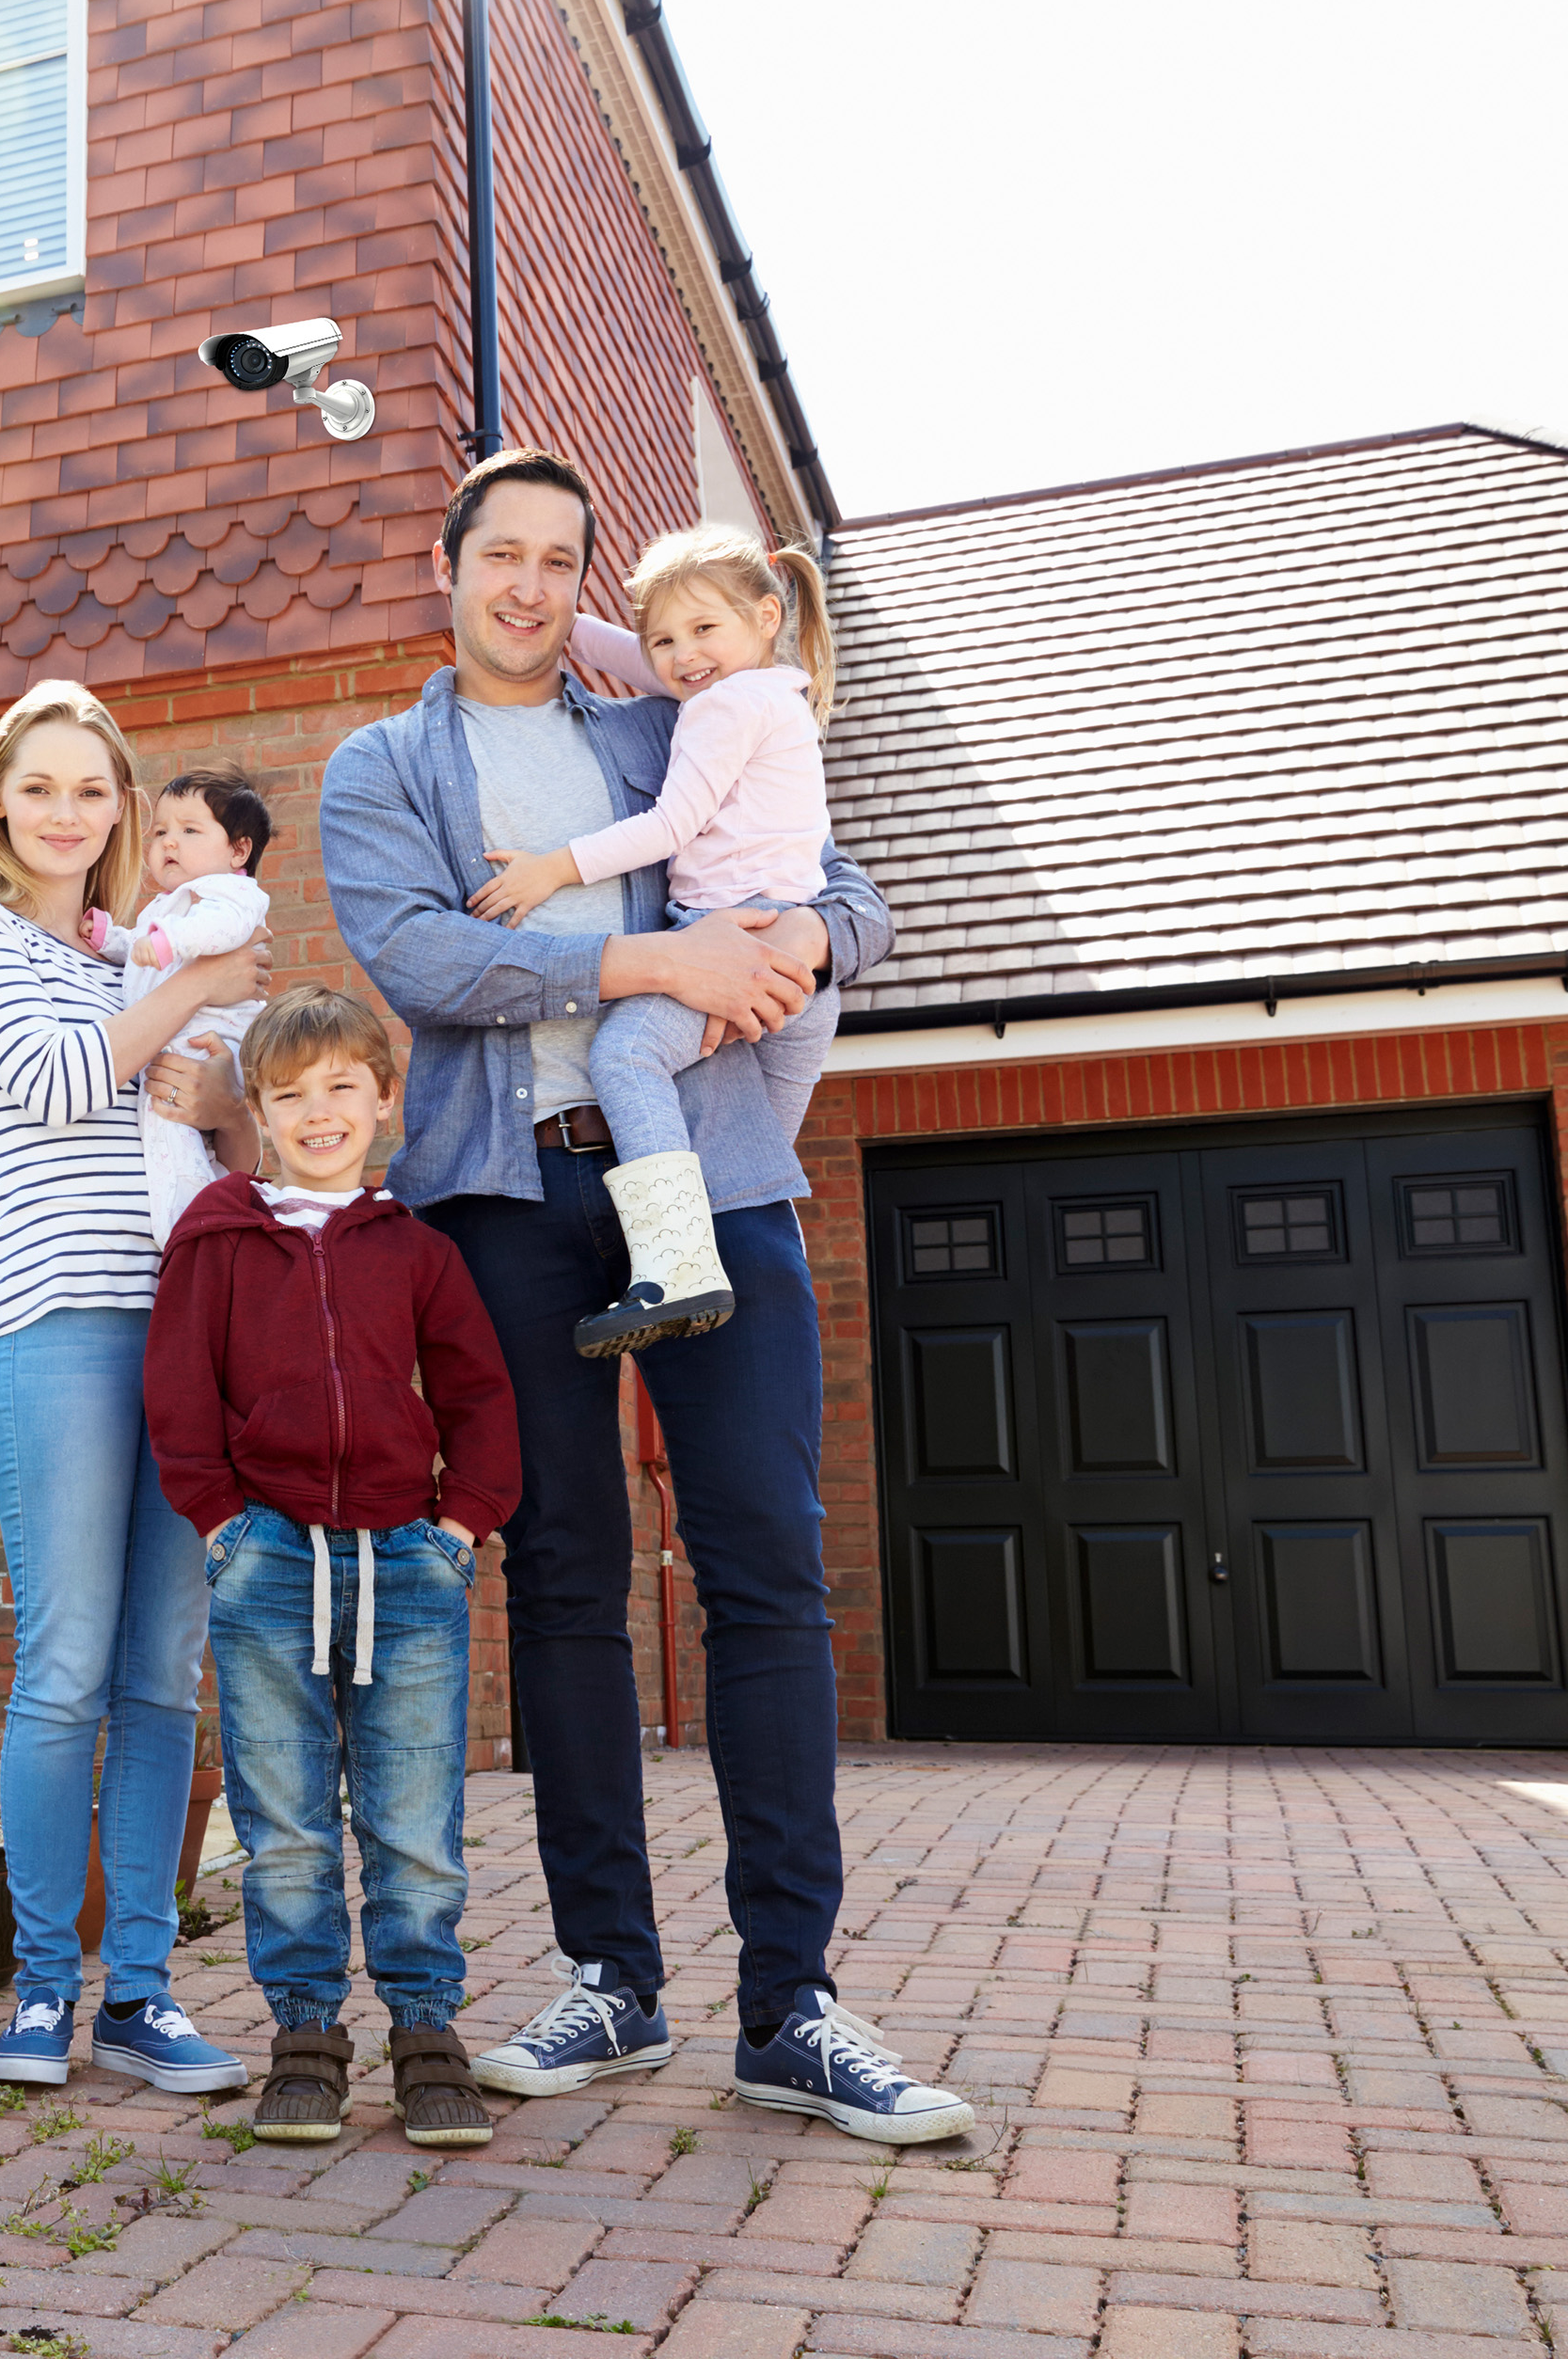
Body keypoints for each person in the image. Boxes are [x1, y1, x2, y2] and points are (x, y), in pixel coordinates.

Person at [320, 449, 974, 2145]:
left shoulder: (656, 721)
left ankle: (792, 2005)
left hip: (713, 1173)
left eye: (560, 559)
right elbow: (425, 961)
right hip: (511, 1198)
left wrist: (808, 946)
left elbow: (843, 885)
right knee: (564, 1577)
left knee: (765, 1562)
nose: (528, 586)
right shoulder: (383, 766)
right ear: (448, 566)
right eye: (502, 554)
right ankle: (610, 1976)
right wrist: (651, 959)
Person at [0, 679, 267, 2096]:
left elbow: (229, 1141)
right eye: (39, 787)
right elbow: (63, 1083)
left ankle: (144, 1993)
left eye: (92, 789)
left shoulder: (135, 951)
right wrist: (197, 990)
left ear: (122, 807)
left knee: (163, 1676)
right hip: (54, 1330)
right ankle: (41, 1993)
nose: (66, 813)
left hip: (184, 1331)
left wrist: (222, 1081)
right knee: (64, 1671)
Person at [144, 985, 520, 2148]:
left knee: (413, 1821)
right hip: (266, 1562)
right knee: (287, 1822)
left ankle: (427, 2032)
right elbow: (178, 1392)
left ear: (384, 1099)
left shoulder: (417, 1250)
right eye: (290, 1094)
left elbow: (478, 1392)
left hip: (409, 1565)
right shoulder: (216, 1240)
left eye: (342, 1088)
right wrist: (220, 1522)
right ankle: (305, 2037)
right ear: (256, 1112)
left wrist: (462, 1526)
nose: (319, 1112)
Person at [464, 524, 843, 1357]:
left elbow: (671, 825)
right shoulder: (769, 688)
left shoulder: (721, 709)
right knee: (751, 1182)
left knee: (627, 1058)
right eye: (664, 638)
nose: (681, 655)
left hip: (737, 944)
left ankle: (674, 1269)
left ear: (766, 616)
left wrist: (551, 870)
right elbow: (642, 663)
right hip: (804, 977)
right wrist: (562, 619)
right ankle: (725, 1281)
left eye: (702, 629)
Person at [86, 766, 277, 1246]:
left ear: (238, 851)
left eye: (190, 831)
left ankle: (189, 1227)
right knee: (175, 1131)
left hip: (209, 1041)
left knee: (168, 1126)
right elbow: (143, 954)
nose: (169, 842)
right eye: (160, 832)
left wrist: (169, 941)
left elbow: (222, 931)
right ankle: (201, 1216)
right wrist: (113, 940)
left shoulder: (232, 893)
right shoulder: (168, 905)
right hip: (180, 1040)